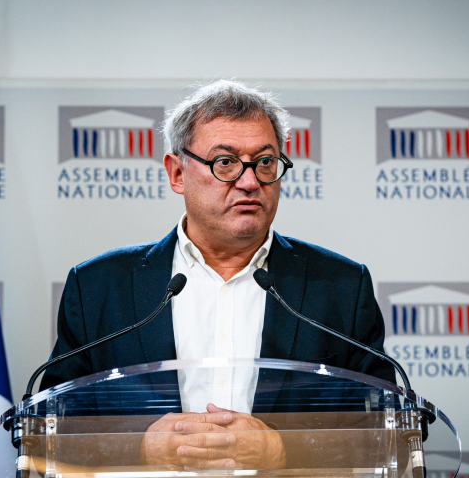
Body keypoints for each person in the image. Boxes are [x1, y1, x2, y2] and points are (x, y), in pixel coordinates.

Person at [40, 80, 394, 470]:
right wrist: (140, 446)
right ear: (177, 173)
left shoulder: (341, 288)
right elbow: (50, 426)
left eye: (264, 163)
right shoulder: (98, 288)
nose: (249, 181)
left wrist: (280, 448)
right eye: (225, 162)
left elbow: (388, 428)